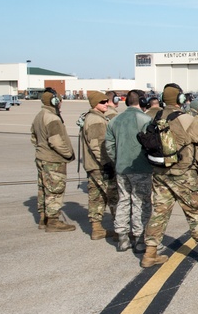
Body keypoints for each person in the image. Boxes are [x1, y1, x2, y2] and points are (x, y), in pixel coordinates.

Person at [141, 84, 198, 267]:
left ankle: (149, 254)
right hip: (183, 173)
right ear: (180, 100)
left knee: (159, 213)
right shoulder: (186, 118)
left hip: (160, 172)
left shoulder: (155, 117)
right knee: (195, 211)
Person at [105, 90, 152, 252]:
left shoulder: (114, 121)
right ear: (142, 102)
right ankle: (139, 238)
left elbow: (109, 146)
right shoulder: (146, 120)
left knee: (123, 200)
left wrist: (118, 160)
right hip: (141, 167)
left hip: (121, 168)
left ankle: (122, 237)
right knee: (141, 201)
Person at [30, 88, 76, 232]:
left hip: (41, 157)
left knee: (43, 189)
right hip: (53, 160)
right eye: (60, 100)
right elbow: (56, 141)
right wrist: (68, 154)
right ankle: (53, 221)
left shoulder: (39, 115)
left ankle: (43, 218)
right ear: (55, 101)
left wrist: (41, 149)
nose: (61, 102)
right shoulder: (52, 118)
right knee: (55, 191)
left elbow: (33, 138)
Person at [81, 91, 119, 240]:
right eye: (102, 102)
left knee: (96, 197)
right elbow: (97, 146)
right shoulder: (96, 120)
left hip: (93, 166)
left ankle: (96, 229)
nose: (106, 104)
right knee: (114, 197)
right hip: (101, 166)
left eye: (106, 101)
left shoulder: (92, 117)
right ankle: (120, 230)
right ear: (95, 104)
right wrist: (107, 163)